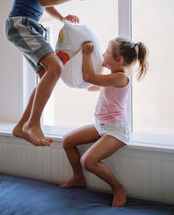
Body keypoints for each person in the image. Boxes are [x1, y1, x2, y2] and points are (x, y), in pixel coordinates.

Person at [5, 0, 92, 147]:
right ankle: (33, 123)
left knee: (48, 73)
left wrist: (62, 17)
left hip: (30, 25)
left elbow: (43, 4)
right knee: (56, 67)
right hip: (20, 24)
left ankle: (21, 125)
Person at [60, 37, 148, 208]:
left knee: (88, 161)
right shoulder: (111, 78)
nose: (102, 54)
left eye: (107, 53)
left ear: (119, 60)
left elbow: (89, 77)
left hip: (116, 130)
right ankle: (78, 178)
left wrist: (87, 54)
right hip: (101, 125)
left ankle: (118, 188)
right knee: (67, 142)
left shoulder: (121, 78)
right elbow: (93, 84)